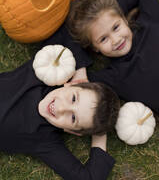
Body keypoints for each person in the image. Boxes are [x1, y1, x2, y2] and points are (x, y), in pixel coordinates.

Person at [0, 25, 120, 180]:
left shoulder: (45, 140)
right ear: (70, 84)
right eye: (73, 98)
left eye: (73, 118)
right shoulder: (47, 70)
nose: (61, 108)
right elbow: (63, 25)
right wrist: (80, 71)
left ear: (73, 132)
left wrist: (99, 134)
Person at [67, 0, 159, 117]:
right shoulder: (113, 77)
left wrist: (107, 10)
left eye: (116, 27)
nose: (116, 40)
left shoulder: (149, 24)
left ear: (124, 19)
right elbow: (66, 46)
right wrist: (80, 68)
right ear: (95, 48)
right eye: (103, 39)